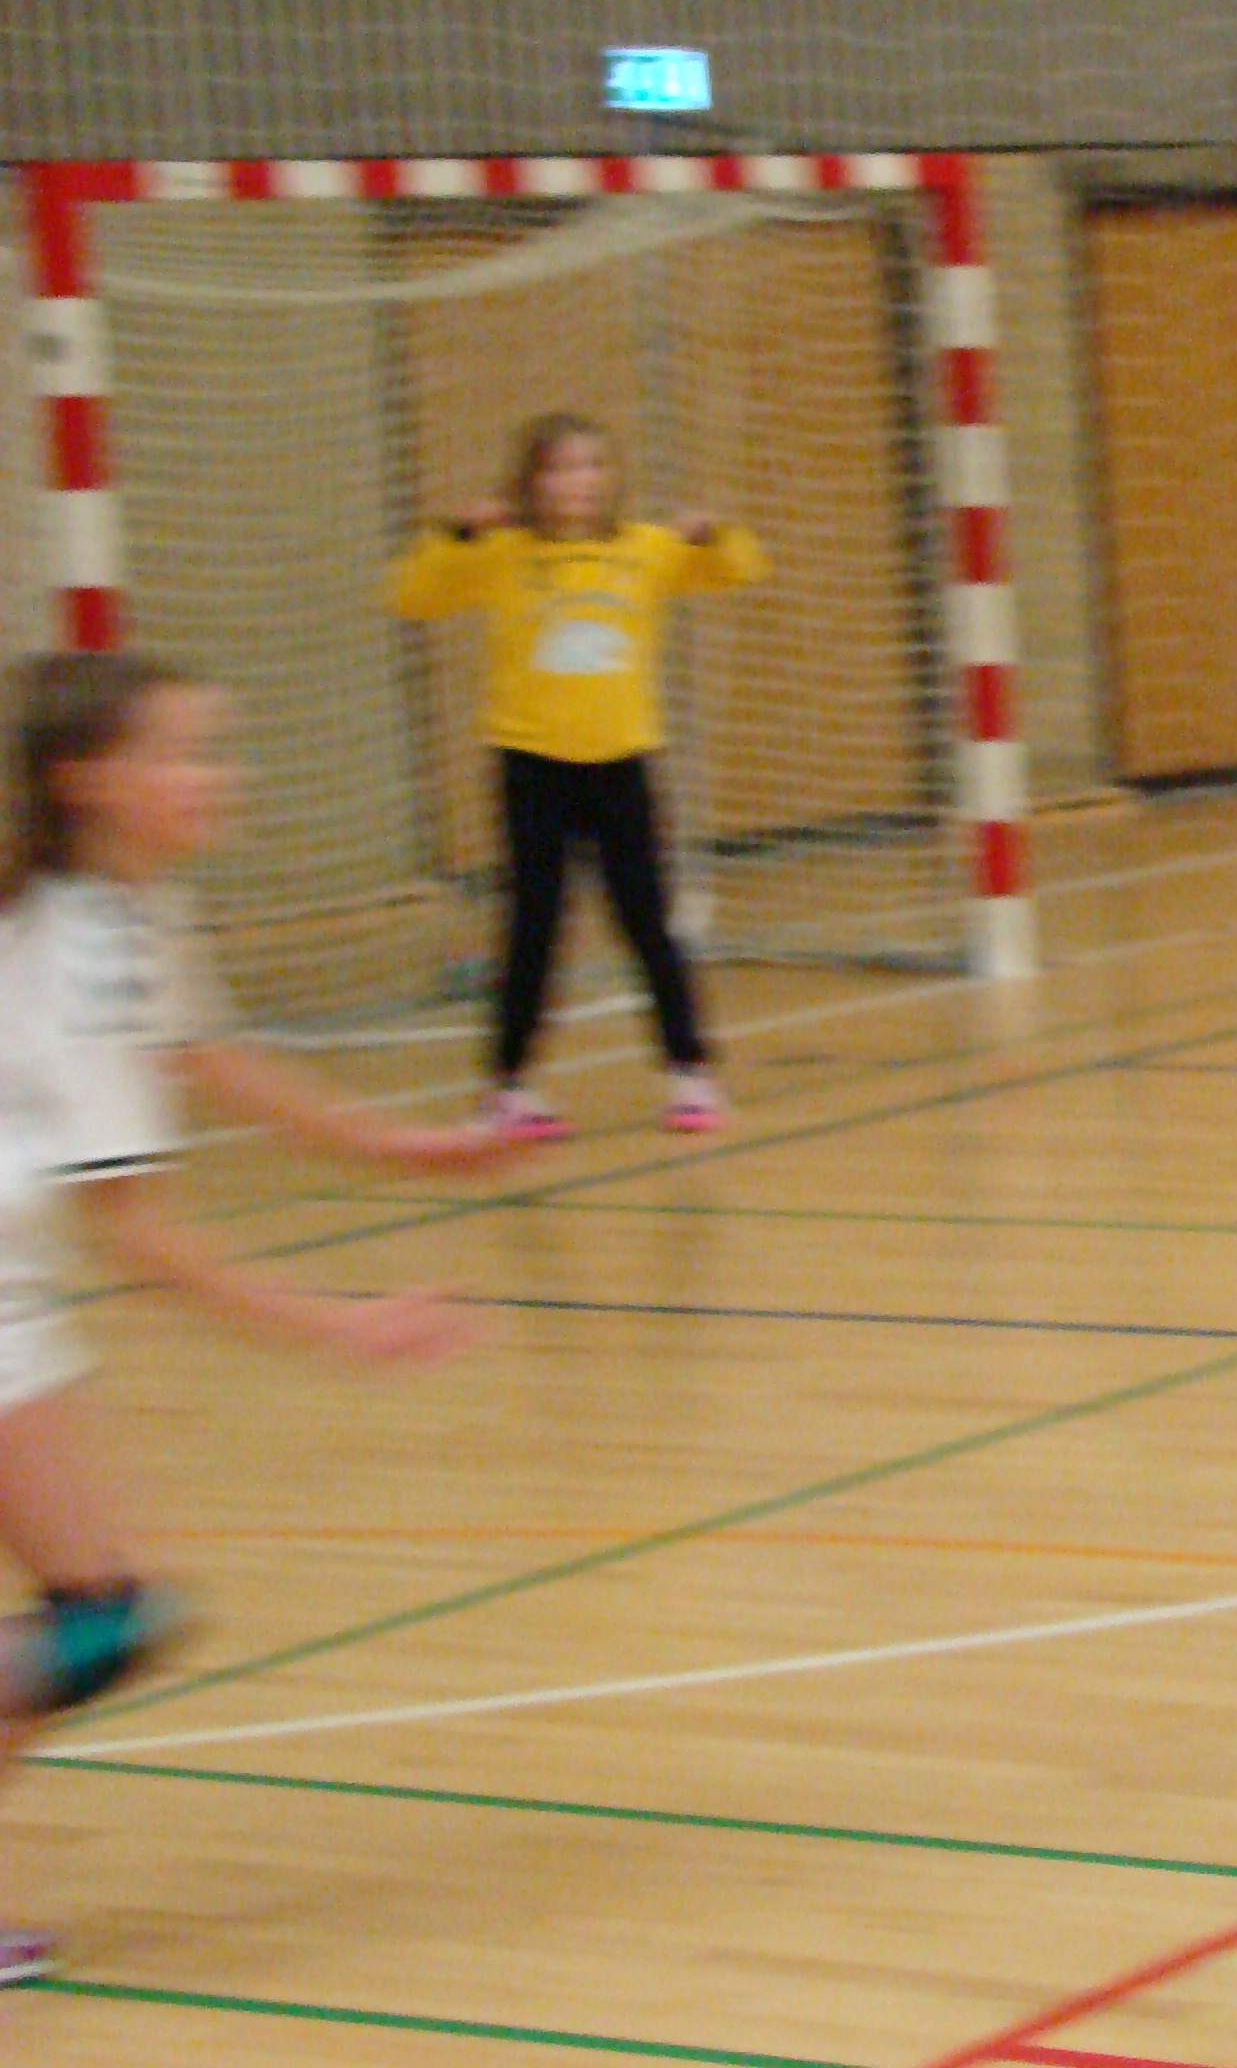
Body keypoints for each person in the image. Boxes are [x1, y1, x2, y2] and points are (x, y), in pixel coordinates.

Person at [0, 653, 500, 1983]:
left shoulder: (125, 910)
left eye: (213, 747)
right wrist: (343, 1327)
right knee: (99, 1620)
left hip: (13, 1293)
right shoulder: (84, 951)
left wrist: (395, 1148)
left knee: (99, 1617)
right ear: (85, 780)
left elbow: (212, 1057)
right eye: (178, 753)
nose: (216, 776)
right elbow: (143, 1236)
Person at [388, 411, 764, 1139]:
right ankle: (509, 1088)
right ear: (532, 481)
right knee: (534, 927)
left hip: (621, 766)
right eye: (560, 468)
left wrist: (712, 534)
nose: (578, 482)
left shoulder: (644, 550)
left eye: (592, 465)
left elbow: (741, 567)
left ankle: (689, 1072)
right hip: (532, 768)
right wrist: (455, 534)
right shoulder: (504, 554)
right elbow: (411, 594)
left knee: (646, 921)